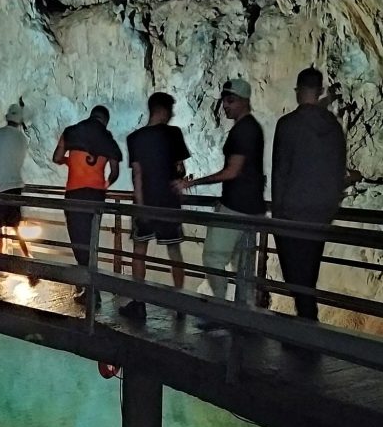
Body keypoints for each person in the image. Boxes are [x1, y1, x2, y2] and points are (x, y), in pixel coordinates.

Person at [175, 79, 266, 319]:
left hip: (236, 206)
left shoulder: (243, 131)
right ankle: (244, 314)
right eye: (224, 100)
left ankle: (220, 309)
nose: (225, 105)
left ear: (244, 101)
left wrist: (193, 182)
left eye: (231, 100)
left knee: (214, 256)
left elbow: (232, 171)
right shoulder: (252, 128)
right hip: (252, 207)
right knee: (243, 263)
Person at [271, 67, 346, 321]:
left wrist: (277, 215)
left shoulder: (288, 125)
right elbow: (338, 169)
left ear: (298, 91)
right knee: (309, 271)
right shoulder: (333, 127)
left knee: (295, 273)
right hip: (320, 214)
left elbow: (281, 171)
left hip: (292, 212)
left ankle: (307, 321)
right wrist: (330, 206)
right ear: (321, 91)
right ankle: (307, 319)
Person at [119, 92, 191, 320]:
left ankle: (139, 302)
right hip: (169, 203)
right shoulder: (174, 134)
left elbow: (138, 174)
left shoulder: (135, 138)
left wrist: (140, 206)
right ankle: (179, 303)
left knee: (139, 251)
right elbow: (180, 169)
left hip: (146, 202)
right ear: (164, 110)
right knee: (174, 251)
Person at [53, 105, 122, 306]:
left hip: (75, 194)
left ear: (91, 115)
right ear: (105, 121)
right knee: (92, 241)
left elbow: (56, 157)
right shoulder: (108, 139)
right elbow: (115, 171)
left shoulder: (71, 131)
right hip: (96, 197)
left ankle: (90, 288)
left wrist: (69, 161)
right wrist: (105, 185)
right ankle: (90, 286)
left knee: (78, 241)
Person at [0, 103, 31, 277]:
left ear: (7, 117)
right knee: (15, 226)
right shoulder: (23, 139)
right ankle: (28, 257)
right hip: (15, 186)